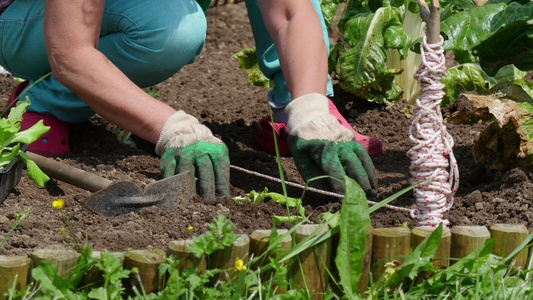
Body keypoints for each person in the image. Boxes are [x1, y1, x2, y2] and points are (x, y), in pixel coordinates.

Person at [0, 0, 381, 204]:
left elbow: (290, 11)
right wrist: (173, 128)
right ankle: (45, 99)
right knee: (170, 30)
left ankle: (290, 109)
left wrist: (310, 108)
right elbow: (70, 51)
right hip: (24, 19)